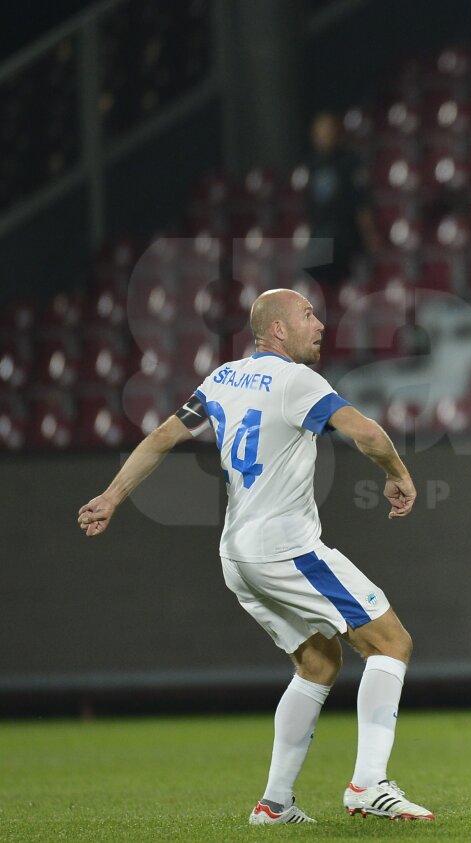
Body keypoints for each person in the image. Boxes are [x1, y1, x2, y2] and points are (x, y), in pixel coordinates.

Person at [77, 288, 434, 823]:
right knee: (391, 642)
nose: (319, 324)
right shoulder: (298, 381)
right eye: (308, 315)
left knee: (318, 662)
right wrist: (399, 475)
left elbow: (158, 438)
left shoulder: (221, 378)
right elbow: (366, 432)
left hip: (236, 556)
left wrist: (110, 497)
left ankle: (274, 804)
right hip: (286, 549)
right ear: (277, 331)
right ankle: (368, 785)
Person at [303, 112, 381, 284]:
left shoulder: (349, 162)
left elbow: (361, 203)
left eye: (329, 131)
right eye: (320, 133)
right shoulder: (312, 164)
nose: (324, 137)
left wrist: (370, 235)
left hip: (345, 233)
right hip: (320, 234)